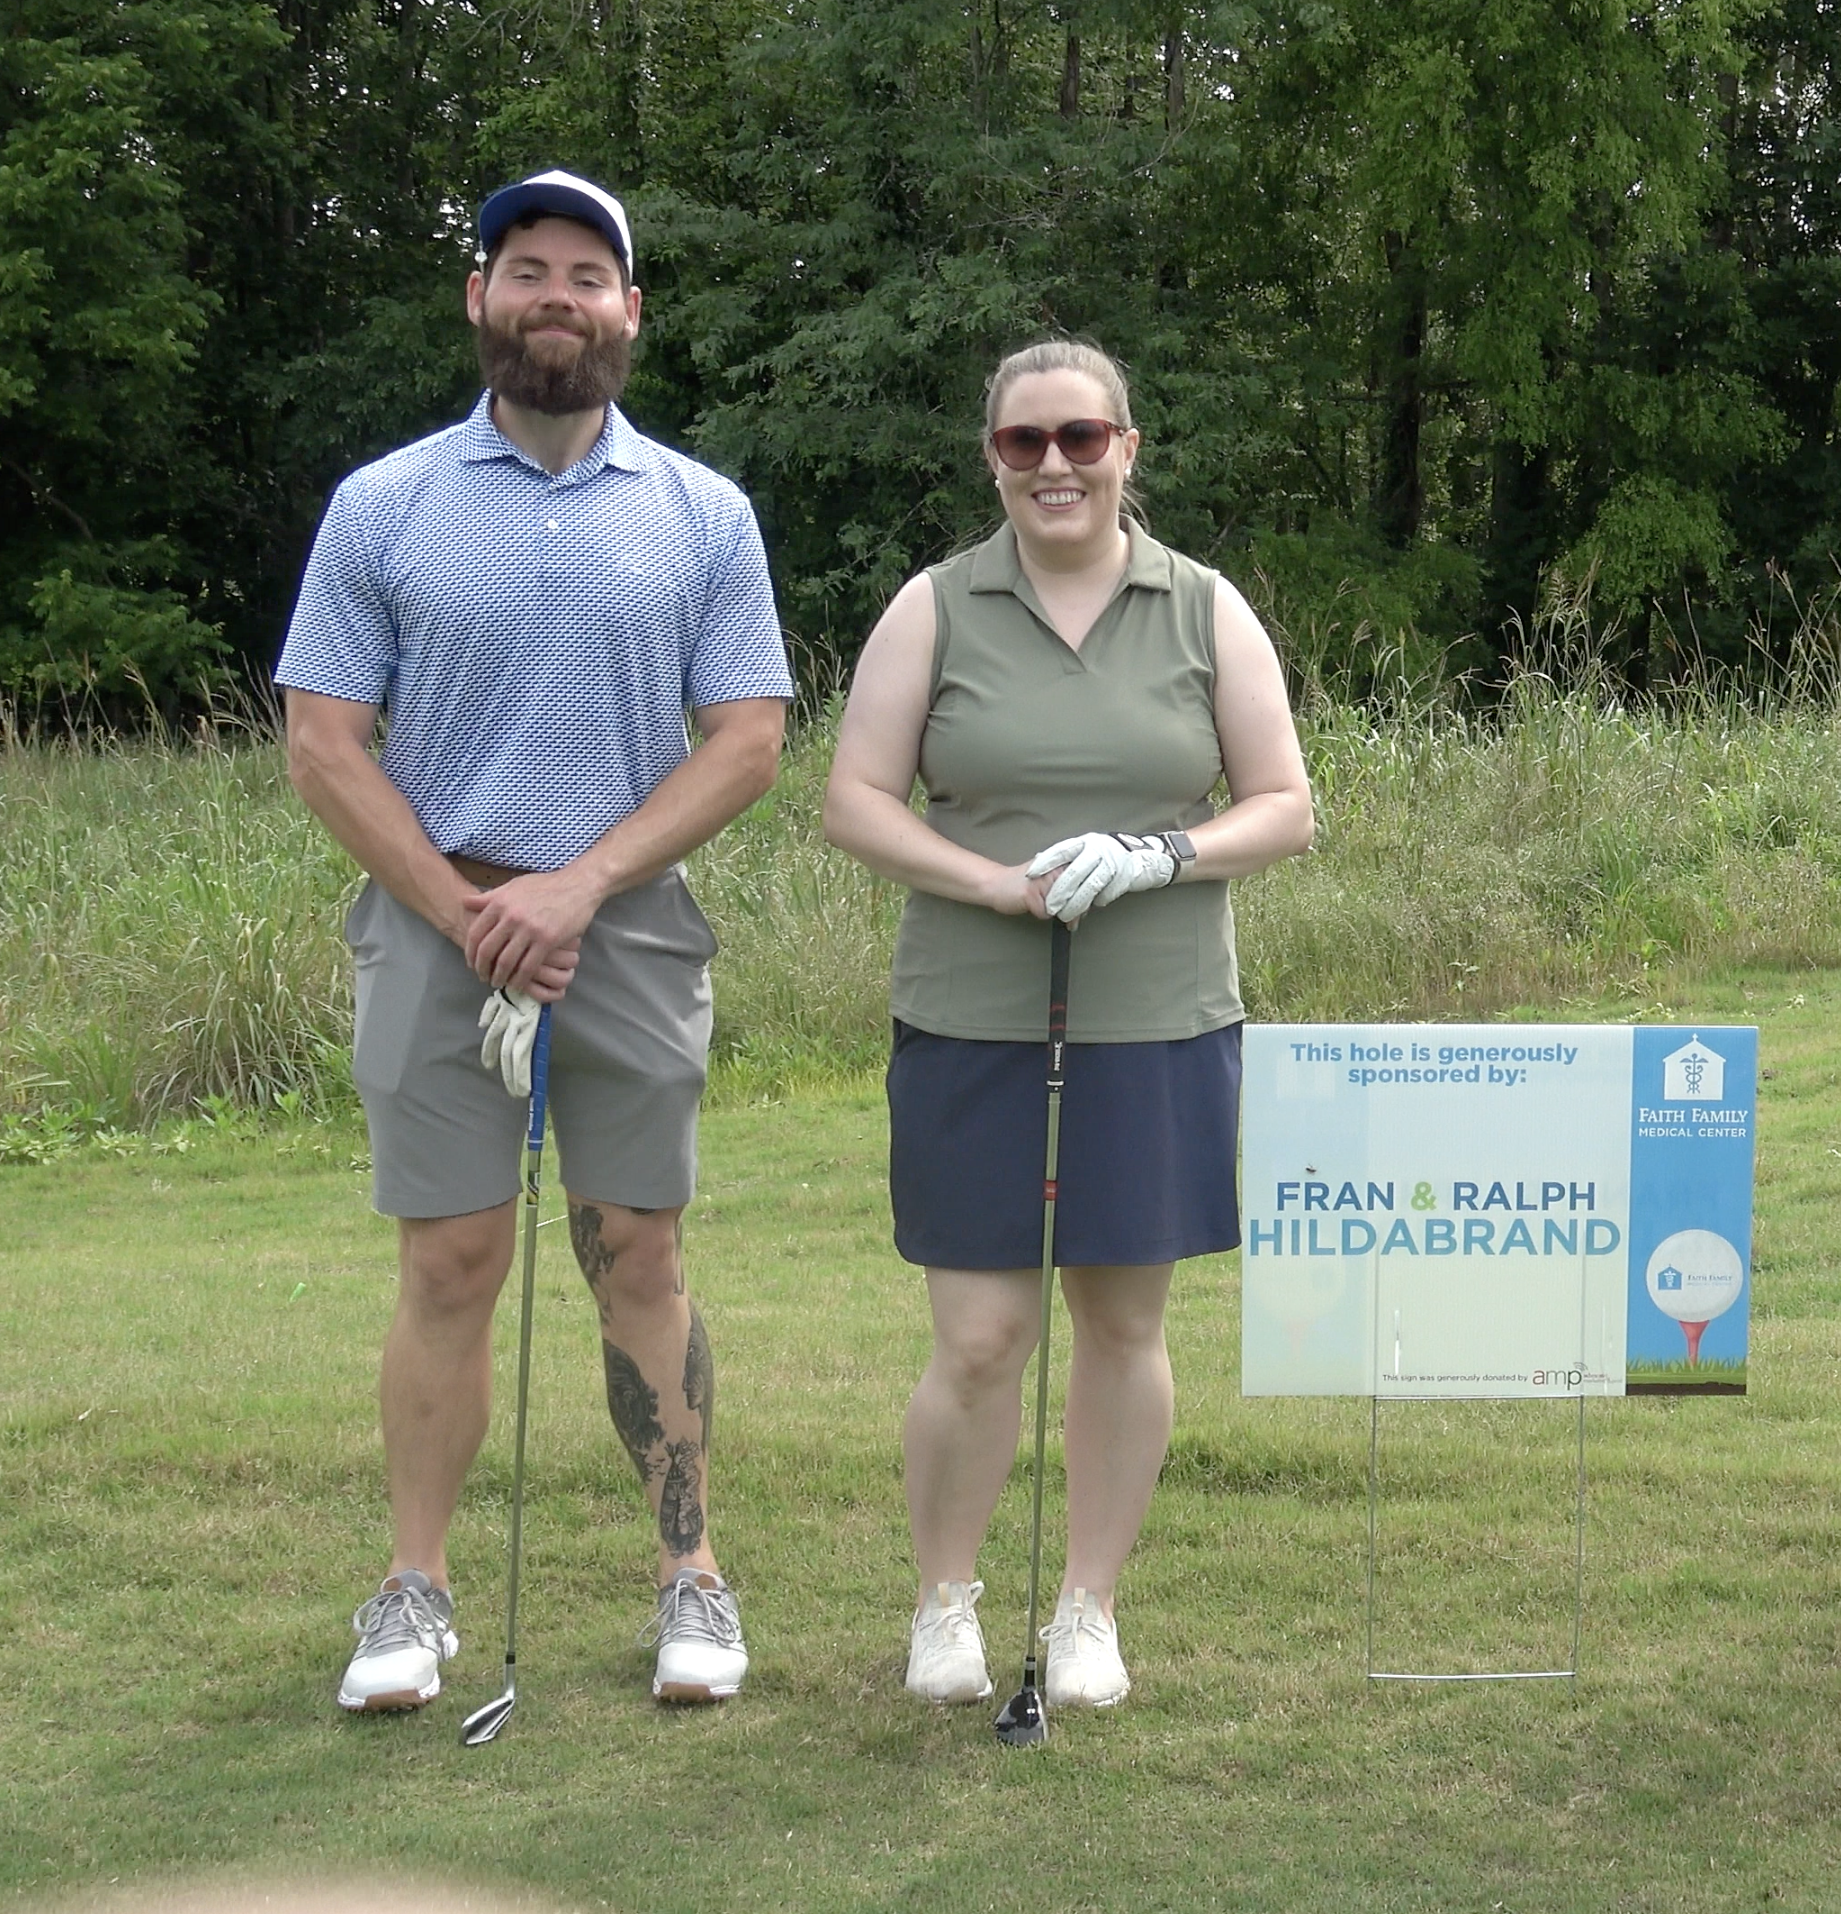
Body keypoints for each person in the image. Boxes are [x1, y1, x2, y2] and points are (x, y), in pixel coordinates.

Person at [279, 170, 793, 1714]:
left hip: (625, 926)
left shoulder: (702, 510)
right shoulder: (385, 503)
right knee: (450, 1256)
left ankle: (691, 1580)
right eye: (525, 271)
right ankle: (413, 1592)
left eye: (586, 274)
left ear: (630, 309)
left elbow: (748, 738)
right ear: (480, 301)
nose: (554, 296)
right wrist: (470, 910)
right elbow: (322, 740)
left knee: (636, 1249)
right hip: (440, 923)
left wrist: (574, 889)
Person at [822, 338, 1316, 1712]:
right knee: (980, 1334)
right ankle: (944, 1598)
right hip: (972, 1006)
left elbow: (1283, 801)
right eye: (1024, 442)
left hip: (1153, 1012)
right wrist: (989, 880)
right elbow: (853, 797)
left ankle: (1089, 1602)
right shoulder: (933, 607)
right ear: (991, 456)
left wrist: (1162, 853)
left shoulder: (1202, 607)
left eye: (1080, 439)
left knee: (1120, 1319)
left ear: (1126, 449)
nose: (1053, 465)